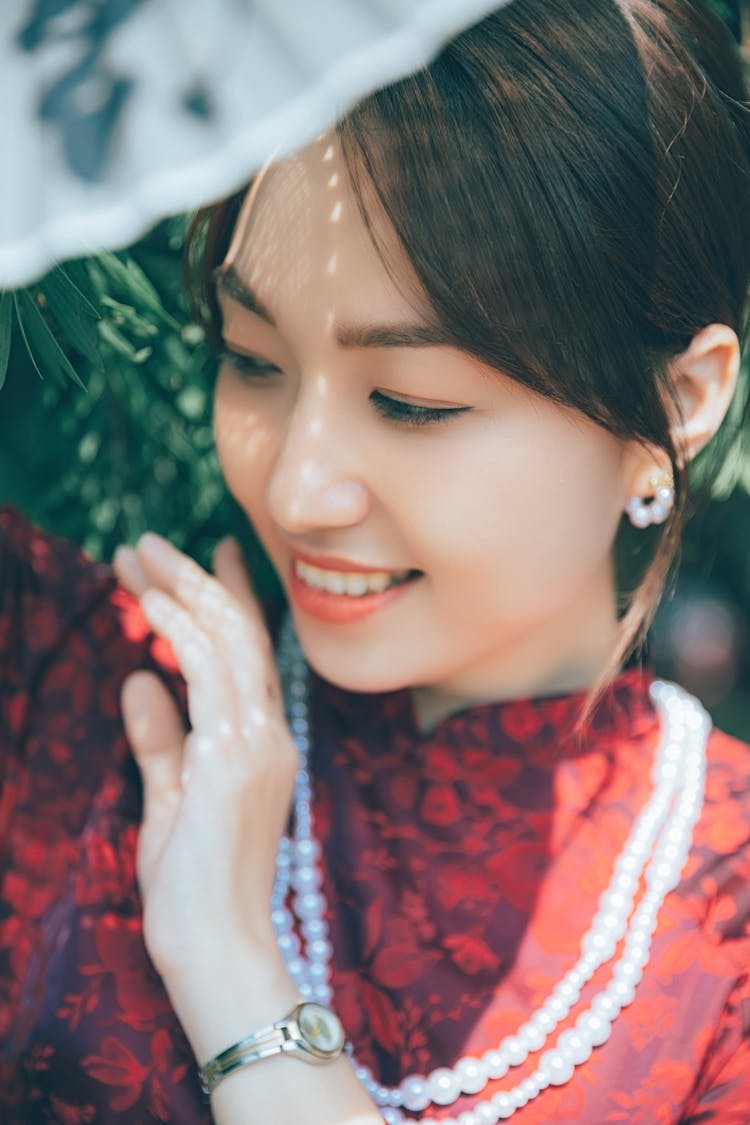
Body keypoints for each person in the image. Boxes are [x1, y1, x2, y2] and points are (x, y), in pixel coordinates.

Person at [2, 0, 750, 1121]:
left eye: (411, 402)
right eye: (250, 361)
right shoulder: (80, 689)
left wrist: (230, 966)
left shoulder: (726, 930)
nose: (298, 489)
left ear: (675, 406)